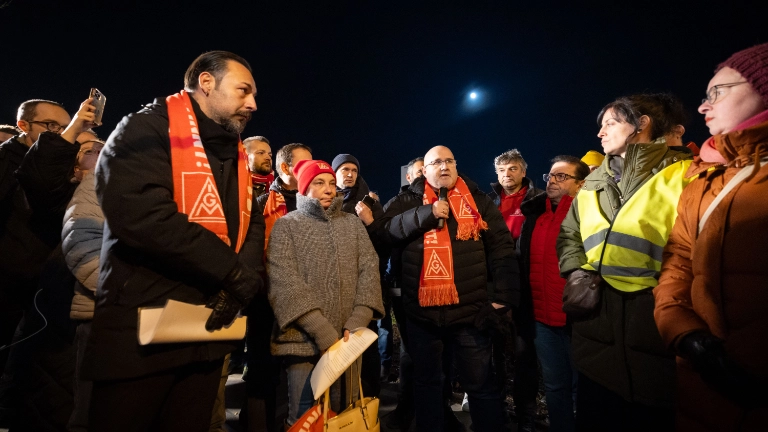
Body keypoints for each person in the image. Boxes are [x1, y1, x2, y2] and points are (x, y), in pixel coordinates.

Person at [84, 51, 266, 432]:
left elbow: (249, 223)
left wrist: (242, 282)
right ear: (205, 83)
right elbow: (143, 215)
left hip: (206, 331)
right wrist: (233, 273)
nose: (252, 104)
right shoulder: (144, 130)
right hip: (143, 332)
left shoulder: (233, 153)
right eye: (243, 90)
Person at [557, 93, 695, 431]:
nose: (600, 133)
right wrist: (576, 272)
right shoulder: (592, 182)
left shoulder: (685, 174)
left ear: (641, 124)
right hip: (596, 329)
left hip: (653, 326)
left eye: (610, 123)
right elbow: (569, 236)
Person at [654, 42, 768, 431]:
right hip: (699, 380)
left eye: (717, 92)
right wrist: (685, 334)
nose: (703, 106)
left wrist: (746, 358)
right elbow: (678, 260)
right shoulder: (705, 180)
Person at [378, 145, 518, 432]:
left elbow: (502, 249)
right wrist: (427, 214)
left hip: (471, 314)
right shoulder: (405, 201)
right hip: (422, 317)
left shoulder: (478, 200)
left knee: (481, 385)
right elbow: (382, 235)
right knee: (428, 385)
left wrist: (503, 299)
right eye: (436, 162)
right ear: (424, 171)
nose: (444, 167)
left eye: (450, 161)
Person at [266, 159, 384, 427]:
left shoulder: (352, 225)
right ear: (305, 188)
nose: (329, 189)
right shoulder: (287, 225)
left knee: (345, 415)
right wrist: (321, 331)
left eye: (331, 183)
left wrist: (358, 319)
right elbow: (284, 282)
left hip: (347, 340)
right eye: (319, 183)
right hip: (303, 341)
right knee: (304, 418)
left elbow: (369, 271)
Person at [242, 142, 312, 432]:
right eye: (303, 163)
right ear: (285, 169)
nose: (311, 167)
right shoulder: (260, 205)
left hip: (304, 302)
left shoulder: (314, 204)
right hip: (265, 303)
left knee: (300, 373)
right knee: (262, 373)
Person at [518, 156, 589, 432]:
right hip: (541, 317)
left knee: (582, 385)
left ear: (580, 183)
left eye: (562, 176)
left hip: (577, 316)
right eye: (550, 176)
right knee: (554, 385)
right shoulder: (534, 214)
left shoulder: (589, 212)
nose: (553, 181)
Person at [487, 148, 543, 431]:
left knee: (524, 353)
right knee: (494, 352)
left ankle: (526, 414)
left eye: (512, 169)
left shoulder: (537, 199)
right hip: (495, 282)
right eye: (501, 170)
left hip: (526, 282)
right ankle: (495, 410)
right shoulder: (489, 201)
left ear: (523, 171)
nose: (506, 175)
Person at [381, 156, 423, 431]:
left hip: (437, 289)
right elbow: (383, 235)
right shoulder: (398, 203)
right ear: (408, 178)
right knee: (411, 350)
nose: (423, 175)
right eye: (418, 172)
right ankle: (405, 408)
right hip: (404, 285)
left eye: (426, 170)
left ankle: (435, 408)